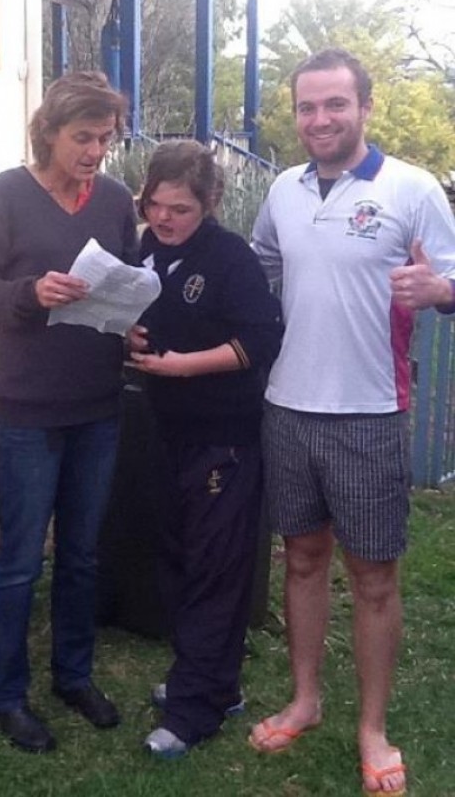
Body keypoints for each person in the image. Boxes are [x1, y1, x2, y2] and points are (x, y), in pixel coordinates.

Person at [249, 48, 455, 796]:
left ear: (365, 107)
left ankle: (373, 728)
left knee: (373, 578)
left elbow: (453, 275)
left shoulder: (411, 189)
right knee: (301, 560)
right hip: (287, 407)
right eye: (307, 107)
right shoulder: (281, 190)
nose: (320, 119)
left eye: (335, 104)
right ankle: (305, 700)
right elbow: (261, 264)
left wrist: (441, 288)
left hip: (369, 413)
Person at [0, 70, 138, 754]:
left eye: (104, 138)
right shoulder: (8, 193)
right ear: (49, 133)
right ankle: (4, 695)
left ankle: (74, 676)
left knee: (84, 556)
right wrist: (33, 292)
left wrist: (133, 322)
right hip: (29, 406)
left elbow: (126, 281)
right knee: (19, 562)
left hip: (98, 401)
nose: (94, 151)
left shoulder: (116, 200)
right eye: (81, 138)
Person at [127, 140, 283, 758]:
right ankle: (216, 683)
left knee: (215, 572)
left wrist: (184, 366)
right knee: (181, 559)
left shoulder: (230, 259)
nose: (164, 219)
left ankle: (194, 713)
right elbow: (148, 321)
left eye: (180, 209)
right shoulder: (147, 251)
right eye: (155, 205)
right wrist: (133, 334)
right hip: (168, 432)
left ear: (211, 203)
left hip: (224, 437)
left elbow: (261, 340)